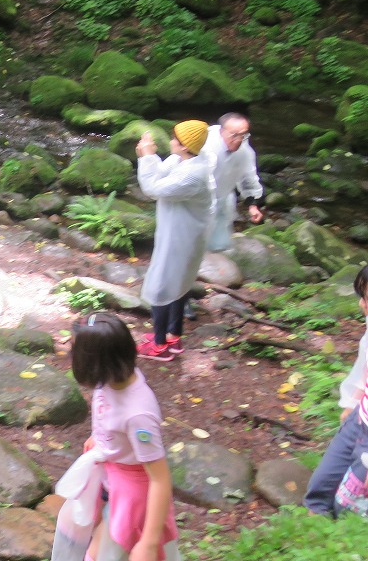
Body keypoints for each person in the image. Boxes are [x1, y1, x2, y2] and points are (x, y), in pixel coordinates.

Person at [59, 312, 179, 561]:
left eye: (75, 351)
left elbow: (160, 479)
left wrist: (149, 541)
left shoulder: (138, 415)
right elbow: (106, 409)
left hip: (132, 492)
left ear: (95, 364)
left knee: (103, 553)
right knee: (91, 539)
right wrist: (100, 437)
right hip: (108, 475)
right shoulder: (110, 379)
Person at [134, 120, 214, 361]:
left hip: (182, 238)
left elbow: (152, 188)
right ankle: (173, 336)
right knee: (180, 284)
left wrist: (147, 157)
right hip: (180, 233)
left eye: (174, 138)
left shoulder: (192, 175)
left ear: (185, 146)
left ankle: (159, 346)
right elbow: (160, 174)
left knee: (163, 284)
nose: (170, 141)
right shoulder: (183, 160)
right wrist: (148, 155)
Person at [304, 263, 368, 517]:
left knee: (349, 508)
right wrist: (352, 402)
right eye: (363, 296)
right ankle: (311, 536)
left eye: (367, 298)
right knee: (319, 492)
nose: (362, 305)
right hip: (359, 420)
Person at [200, 112, 264, 254]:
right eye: (234, 135)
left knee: (219, 246)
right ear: (221, 131)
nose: (239, 140)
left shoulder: (245, 152)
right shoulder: (205, 145)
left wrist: (252, 205)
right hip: (198, 200)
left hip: (222, 199)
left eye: (243, 135)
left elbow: (248, 177)